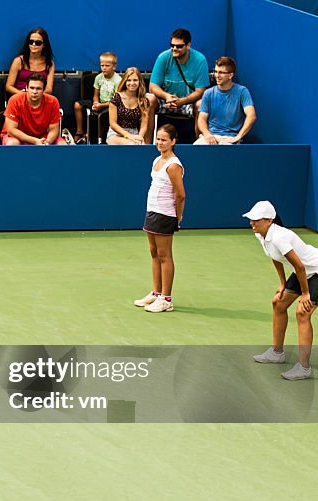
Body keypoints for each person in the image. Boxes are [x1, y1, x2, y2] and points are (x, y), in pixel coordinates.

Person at [244, 201, 318, 380]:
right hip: (303, 271)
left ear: (269, 221)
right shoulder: (261, 235)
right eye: (251, 219)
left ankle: (304, 367)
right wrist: (282, 283)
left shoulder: (279, 237)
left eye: (256, 220)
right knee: (278, 303)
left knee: (302, 313)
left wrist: (305, 294)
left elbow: (300, 267)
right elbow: (274, 257)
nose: (252, 223)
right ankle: (277, 353)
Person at [134, 124, 185, 313]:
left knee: (165, 256)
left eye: (164, 140)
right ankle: (156, 293)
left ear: (173, 141)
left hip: (165, 214)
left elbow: (180, 195)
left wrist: (177, 217)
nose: (160, 142)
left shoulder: (173, 165)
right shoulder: (157, 160)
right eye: (158, 139)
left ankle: (166, 299)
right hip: (152, 211)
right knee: (154, 253)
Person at [148, 28, 209, 121]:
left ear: (188, 45)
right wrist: (167, 96)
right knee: (149, 100)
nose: (174, 49)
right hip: (166, 102)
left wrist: (182, 101)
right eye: (172, 45)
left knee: (200, 105)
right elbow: (153, 87)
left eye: (179, 46)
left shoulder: (200, 60)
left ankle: (200, 136)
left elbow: (200, 91)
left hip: (188, 103)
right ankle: (146, 136)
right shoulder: (163, 57)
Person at [195, 57, 256, 145]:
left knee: (225, 150)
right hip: (211, 136)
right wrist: (207, 134)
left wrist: (238, 137)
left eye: (221, 72)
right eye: (215, 72)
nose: (217, 75)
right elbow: (201, 119)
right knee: (197, 147)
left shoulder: (242, 91)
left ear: (230, 75)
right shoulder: (208, 93)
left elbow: (251, 116)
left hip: (230, 137)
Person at [0, 73, 64, 145]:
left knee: (62, 144)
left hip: (43, 137)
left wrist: (47, 142)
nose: (34, 92)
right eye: (32, 88)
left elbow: (54, 130)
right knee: (12, 143)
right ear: (26, 88)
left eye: (38, 88)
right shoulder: (15, 100)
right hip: (17, 137)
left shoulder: (53, 101)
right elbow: (11, 130)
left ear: (44, 89)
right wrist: (35, 141)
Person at [73, 52, 120, 144]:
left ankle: (103, 138)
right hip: (99, 102)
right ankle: (80, 132)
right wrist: (95, 103)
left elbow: (117, 100)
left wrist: (101, 105)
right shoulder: (98, 77)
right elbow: (95, 94)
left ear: (114, 66)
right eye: (102, 65)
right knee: (77, 105)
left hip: (111, 105)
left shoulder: (118, 80)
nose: (104, 68)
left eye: (107, 65)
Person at [106, 67, 151, 145]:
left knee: (140, 145)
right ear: (125, 81)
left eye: (135, 80)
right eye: (129, 80)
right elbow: (113, 124)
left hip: (134, 133)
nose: (132, 83)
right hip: (115, 134)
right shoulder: (116, 98)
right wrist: (129, 136)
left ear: (140, 81)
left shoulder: (143, 101)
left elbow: (144, 125)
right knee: (132, 144)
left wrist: (140, 137)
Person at [6, 27, 55, 97]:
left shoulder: (49, 64)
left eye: (38, 43)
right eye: (31, 42)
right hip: (20, 97)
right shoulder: (19, 61)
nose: (34, 45)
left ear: (44, 45)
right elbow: (8, 86)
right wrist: (25, 95)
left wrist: (36, 95)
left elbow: (49, 89)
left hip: (40, 99)